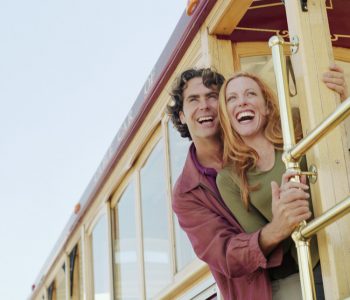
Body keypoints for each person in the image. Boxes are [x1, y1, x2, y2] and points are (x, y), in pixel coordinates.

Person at [167, 65, 348, 300]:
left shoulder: (280, 132)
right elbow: (224, 254)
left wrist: (340, 98)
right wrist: (278, 227)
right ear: (181, 114)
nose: (204, 106)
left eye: (212, 96)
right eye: (193, 99)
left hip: (332, 253)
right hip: (265, 289)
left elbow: (335, 147)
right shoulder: (187, 193)